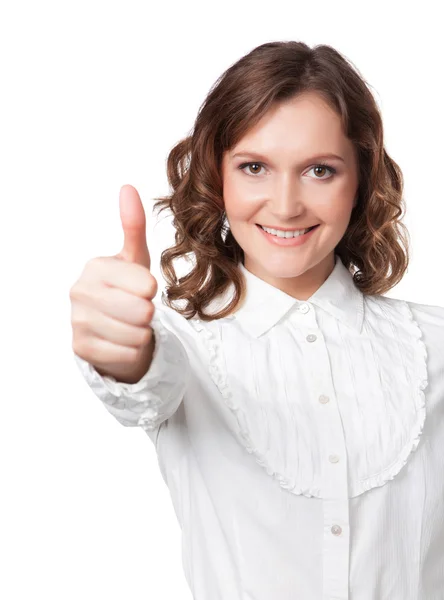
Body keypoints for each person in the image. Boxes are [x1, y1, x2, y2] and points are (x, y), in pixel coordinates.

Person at [69, 41, 444, 599]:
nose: (287, 205)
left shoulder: (434, 346)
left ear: (361, 179)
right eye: (254, 168)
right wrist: (119, 349)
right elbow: (144, 379)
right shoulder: (183, 345)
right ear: (218, 179)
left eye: (320, 170)